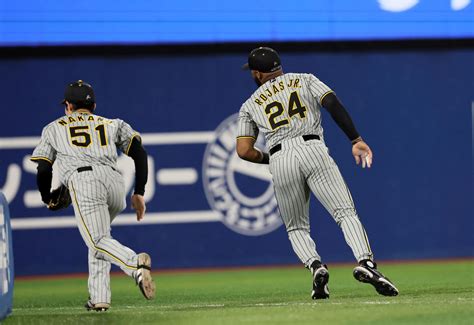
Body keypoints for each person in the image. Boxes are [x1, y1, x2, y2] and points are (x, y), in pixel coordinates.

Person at [236, 47, 398, 299]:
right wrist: (355, 138)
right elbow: (331, 103)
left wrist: (272, 159)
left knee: (296, 228)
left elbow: (244, 151)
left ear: (257, 74)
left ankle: (316, 266)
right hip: (313, 148)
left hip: (279, 157)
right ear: (279, 66)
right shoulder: (305, 79)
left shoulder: (249, 106)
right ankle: (366, 264)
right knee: (344, 213)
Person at [30, 80, 156, 311]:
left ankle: (134, 264)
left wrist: (46, 196)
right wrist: (139, 192)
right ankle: (99, 299)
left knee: (97, 241)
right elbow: (139, 153)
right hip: (115, 182)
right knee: (99, 238)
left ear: (67, 105)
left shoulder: (54, 127)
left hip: (85, 181)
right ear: (94, 105)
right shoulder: (112, 123)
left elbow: (44, 168)